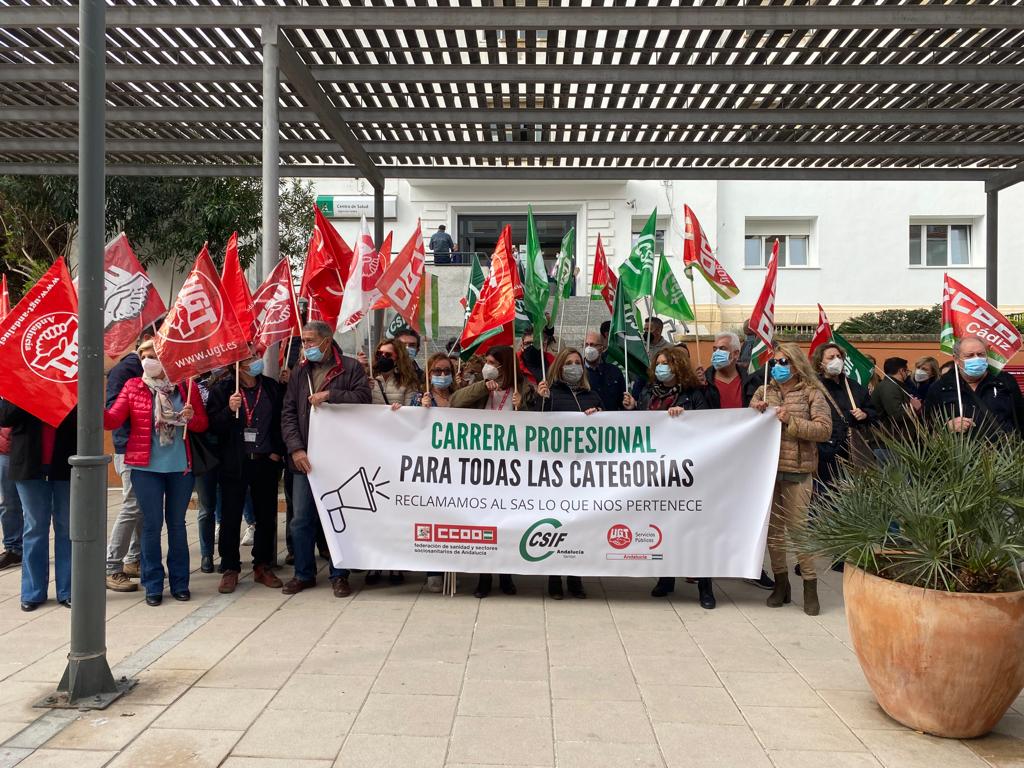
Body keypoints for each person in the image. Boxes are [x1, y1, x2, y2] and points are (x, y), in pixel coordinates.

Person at [103, 341, 208, 606]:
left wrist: (192, 416)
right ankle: (152, 585)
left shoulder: (185, 386)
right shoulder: (133, 386)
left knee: (177, 526)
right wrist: (91, 403)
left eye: (154, 356)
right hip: (144, 468)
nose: (149, 361)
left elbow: (201, 424)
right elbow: (112, 419)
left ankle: (180, 583)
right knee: (150, 526)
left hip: (179, 468)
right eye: (144, 356)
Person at [281, 321, 372, 597]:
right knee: (301, 519)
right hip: (305, 459)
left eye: (310, 341)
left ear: (326, 340)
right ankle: (304, 573)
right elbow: (288, 413)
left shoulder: (350, 368)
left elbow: (363, 399)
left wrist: (331, 395)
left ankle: (339, 574)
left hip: (339, 458)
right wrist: (296, 449)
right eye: (304, 341)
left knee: (338, 517)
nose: (305, 346)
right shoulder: (301, 371)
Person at [623, 347, 717, 608]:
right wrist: (632, 410)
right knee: (662, 526)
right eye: (659, 363)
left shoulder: (693, 395)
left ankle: (705, 586)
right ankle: (666, 578)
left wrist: (683, 418)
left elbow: (709, 425)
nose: (662, 367)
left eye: (667, 363)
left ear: (678, 367)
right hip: (656, 474)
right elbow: (640, 431)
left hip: (686, 472)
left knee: (694, 529)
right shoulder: (647, 394)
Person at [751, 343, 832, 616]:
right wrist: (756, 411)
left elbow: (823, 430)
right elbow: (748, 424)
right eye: (775, 362)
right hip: (768, 472)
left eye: (784, 361)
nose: (778, 366)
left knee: (798, 531)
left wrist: (791, 422)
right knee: (773, 533)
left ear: (797, 365)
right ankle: (780, 583)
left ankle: (810, 586)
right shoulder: (765, 390)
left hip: (798, 472)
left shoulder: (812, 393)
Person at [207, 356, 287, 593]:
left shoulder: (271, 387)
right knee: (231, 516)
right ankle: (230, 567)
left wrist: (276, 451)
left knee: (266, 515)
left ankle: (262, 565)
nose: (257, 361)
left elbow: (283, 420)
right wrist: (228, 411)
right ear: (239, 365)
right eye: (251, 358)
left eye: (257, 357)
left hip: (265, 461)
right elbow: (212, 426)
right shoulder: (223, 389)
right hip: (235, 463)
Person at [451, 345, 524, 598]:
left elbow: (540, 423)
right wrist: (483, 386)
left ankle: (506, 574)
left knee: (507, 523)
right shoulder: (482, 386)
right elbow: (455, 402)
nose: (488, 366)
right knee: (485, 523)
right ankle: (484, 577)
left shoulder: (522, 389)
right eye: (487, 361)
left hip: (512, 470)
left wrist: (523, 405)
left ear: (506, 365)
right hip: (482, 468)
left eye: (494, 362)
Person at [703, 331, 774, 590]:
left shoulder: (754, 382)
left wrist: (764, 408)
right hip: (710, 460)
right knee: (708, 514)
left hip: (745, 460)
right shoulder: (702, 382)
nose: (715, 353)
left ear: (735, 354)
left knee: (748, 515)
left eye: (721, 348)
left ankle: (751, 567)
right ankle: (702, 569)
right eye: (713, 348)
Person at [535, 348, 603, 600]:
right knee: (556, 525)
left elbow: (609, 430)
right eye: (569, 363)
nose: (574, 367)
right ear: (559, 368)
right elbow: (534, 429)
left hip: (584, 474)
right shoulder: (549, 394)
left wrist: (598, 417)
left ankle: (576, 578)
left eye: (578, 363)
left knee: (579, 526)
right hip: (554, 473)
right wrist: (541, 400)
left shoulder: (592, 394)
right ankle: (554, 578)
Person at [0, 403, 75, 611]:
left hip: (65, 465)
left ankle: (68, 591)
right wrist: (32, 397)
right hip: (29, 466)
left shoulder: (69, 382)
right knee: (34, 529)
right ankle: (33, 592)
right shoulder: (22, 385)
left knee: (67, 528)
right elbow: (5, 418)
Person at [411, 352, 459, 593]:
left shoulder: (459, 398)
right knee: (434, 520)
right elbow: (404, 425)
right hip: (432, 470)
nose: (442, 375)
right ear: (429, 374)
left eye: (446, 371)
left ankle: (454, 565)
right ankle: (434, 570)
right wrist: (418, 409)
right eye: (437, 371)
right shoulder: (420, 397)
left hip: (460, 469)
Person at [925, 335, 1024, 439]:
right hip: (960, 454)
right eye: (969, 355)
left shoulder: (1005, 381)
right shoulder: (941, 387)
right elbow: (925, 427)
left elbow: (1021, 418)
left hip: (1004, 452)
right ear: (956, 359)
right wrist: (946, 427)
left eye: (981, 354)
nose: (976, 359)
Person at [104, 342, 144, 591]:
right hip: (129, 449)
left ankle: (133, 560)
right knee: (132, 505)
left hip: (149, 451)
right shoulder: (125, 371)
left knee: (142, 507)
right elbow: (113, 413)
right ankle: (111, 566)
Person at [813, 342, 877, 487]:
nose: (836, 360)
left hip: (852, 451)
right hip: (825, 454)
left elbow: (873, 412)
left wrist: (865, 414)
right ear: (820, 363)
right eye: (831, 357)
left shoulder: (853, 386)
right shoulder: (813, 386)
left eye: (839, 356)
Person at [871, 357, 922, 438]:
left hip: (896, 438)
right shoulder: (889, 387)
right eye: (907, 371)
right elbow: (898, 415)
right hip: (891, 441)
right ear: (901, 371)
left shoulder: (895, 385)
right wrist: (913, 407)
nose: (907, 374)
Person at [582, 329, 626, 412]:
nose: (589, 348)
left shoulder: (614, 372)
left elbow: (622, 402)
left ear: (602, 348)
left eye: (593, 345)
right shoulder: (578, 372)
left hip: (610, 421)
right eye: (586, 344)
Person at [0, 422, 23, 571]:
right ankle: (13, 549)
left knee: (39, 508)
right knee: (8, 503)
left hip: (29, 447)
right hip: (5, 450)